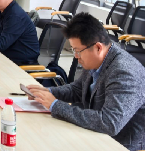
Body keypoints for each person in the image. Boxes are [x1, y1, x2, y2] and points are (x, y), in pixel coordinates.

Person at [28, 13, 145, 151]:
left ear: (98, 48)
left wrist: (55, 105)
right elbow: (77, 89)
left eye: (78, 51)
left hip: (119, 144)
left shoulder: (124, 72)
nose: (75, 56)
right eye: (73, 50)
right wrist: (48, 92)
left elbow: (109, 123)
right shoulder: (98, 59)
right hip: (95, 133)